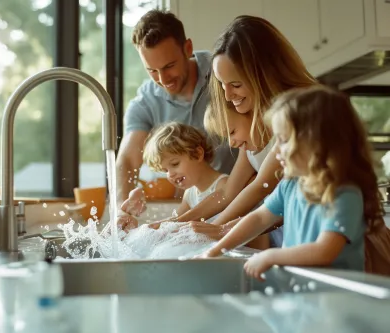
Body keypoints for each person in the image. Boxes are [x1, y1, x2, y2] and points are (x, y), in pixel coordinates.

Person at [198, 85, 383, 279]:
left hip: (335, 295)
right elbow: (259, 219)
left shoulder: (344, 194)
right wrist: (214, 251)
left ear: (316, 142)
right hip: (304, 290)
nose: (276, 151)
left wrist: (270, 256)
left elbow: (324, 251)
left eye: (284, 140)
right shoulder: (290, 185)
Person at [184, 15, 317, 249]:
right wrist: (184, 226)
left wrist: (219, 230)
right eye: (223, 85)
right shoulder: (261, 120)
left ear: (264, 74)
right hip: (303, 233)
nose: (227, 96)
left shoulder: (302, 114)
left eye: (235, 85)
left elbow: (264, 188)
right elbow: (234, 192)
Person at [115, 9, 237, 229]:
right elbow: (127, 161)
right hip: (207, 212)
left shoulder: (222, 73)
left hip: (240, 202)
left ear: (187, 48)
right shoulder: (145, 101)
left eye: (169, 66)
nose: (163, 79)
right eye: (152, 70)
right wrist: (122, 208)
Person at [140, 122, 228, 227]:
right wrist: (152, 227)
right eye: (165, 171)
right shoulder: (190, 193)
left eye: (174, 164)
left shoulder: (224, 185)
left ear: (198, 154)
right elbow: (178, 220)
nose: (170, 174)